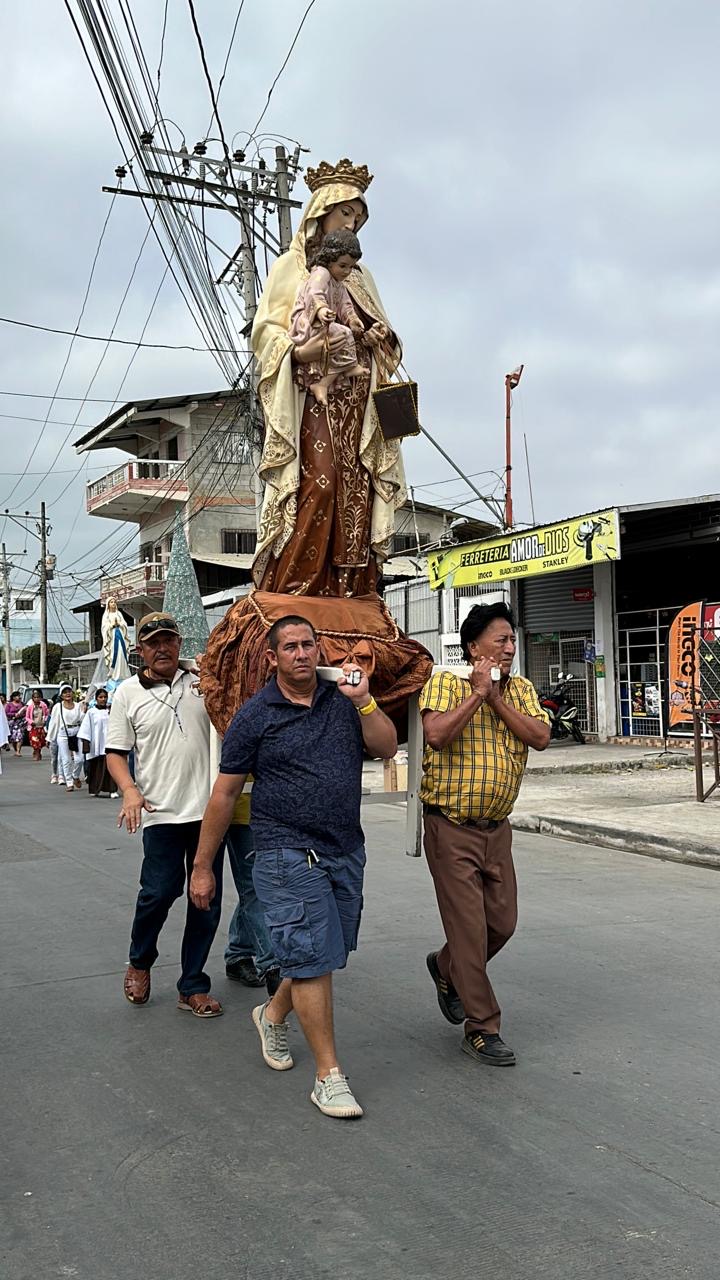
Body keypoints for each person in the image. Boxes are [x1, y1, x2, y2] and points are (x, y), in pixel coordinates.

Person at [190, 615, 397, 1120]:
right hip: (284, 851)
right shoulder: (255, 716)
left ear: (318, 650)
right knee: (310, 956)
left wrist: (364, 701)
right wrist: (203, 866)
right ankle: (329, 1076)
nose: (301, 654)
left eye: (308, 645)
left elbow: (386, 747)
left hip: (344, 848)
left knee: (326, 953)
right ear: (273, 657)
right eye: (290, 647)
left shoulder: (343, 700)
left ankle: (272, 1013)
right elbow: (225, 794)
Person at [251, 157, 405, 597]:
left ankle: (350, 589)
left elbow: (381, 330)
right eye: (345, 213)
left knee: (357, 492)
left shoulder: (359, 274)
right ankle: (293, 589)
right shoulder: (293, 266)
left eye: (358, 217)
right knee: (319, 483)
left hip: (359, 401)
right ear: (322, 212)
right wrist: (300, 351)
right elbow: (267, 332)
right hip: (313, 397)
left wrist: (380, 337)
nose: (352, 224)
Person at [419, 602, 551, 1067]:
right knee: (470, 932)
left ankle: (446, 966)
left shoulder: (521, 689)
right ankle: (482, 1026)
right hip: (451, 826)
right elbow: (436, 735)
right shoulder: (445, 682)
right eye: (501, 640)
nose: (510, 648)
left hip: (497, 829)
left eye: (512, 640)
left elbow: (540, 737)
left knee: (503, 923)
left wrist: (495, 698)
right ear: (474, 647)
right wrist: (477, 694)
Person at [105, 611, 224, 1018]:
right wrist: (130, 790)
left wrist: (209, 673)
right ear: (141, 650)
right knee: (157, 893)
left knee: (205, 898)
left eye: (168, 640)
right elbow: (115, 753)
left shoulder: (201, 683)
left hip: (209, 813)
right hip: (161, 813)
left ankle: (192, 985)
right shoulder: (127, 693)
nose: (162, 649)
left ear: (178, 644)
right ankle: (140, 960)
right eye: (153, 643)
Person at [288, 229, 368, 405]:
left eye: (351, 267)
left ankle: (330, 379)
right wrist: (322, 310)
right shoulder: (321, 273)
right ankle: (325, 382)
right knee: (344, 334)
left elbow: (345, 306)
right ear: (329, 259)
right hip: (309, 322)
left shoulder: (338, 284)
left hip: (323, 323)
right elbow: (314, 293)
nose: (347, 271)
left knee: (344, 336)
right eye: (342, 265)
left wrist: (353, 319)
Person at [224, 790, 280, 996]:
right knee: (254, 887)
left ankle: (237, 952)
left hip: (270, 808)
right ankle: (272, 964)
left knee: (253, 888)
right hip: (238, 810)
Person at [79, 687, 117, 797]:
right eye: (100, 697)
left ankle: (112, 790)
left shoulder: (111, 711)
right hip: (96, 745)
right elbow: (85, 728)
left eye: (105, 697)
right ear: (96, 699)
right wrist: (86, 743)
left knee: (111, 766)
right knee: (96, 767)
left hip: (109, 743)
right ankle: (95, 789)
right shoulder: (91, 712)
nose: (103, 699)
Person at [47, 684, 85, 792]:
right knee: (66, 759)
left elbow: (82, 720)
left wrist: (84, 711)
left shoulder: (78, 706)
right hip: (63, 733)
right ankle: (69, 782)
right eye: (65, 692)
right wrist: (49, 738)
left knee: (80, 759)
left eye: (69, 691)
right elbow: (53, 723)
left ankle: (75, 775)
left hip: (77, 732)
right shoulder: (58, 707)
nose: (67, 694)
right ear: (61, 695)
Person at [24, 690, 49, 763]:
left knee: (41, 741)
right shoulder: (30, 707)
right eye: (35, 697)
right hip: (33, 727)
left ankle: (38, 752)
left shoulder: (43, 705)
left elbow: (47, 714)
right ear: (32, 698)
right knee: (34, 740)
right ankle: (36, 753)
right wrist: (31, 722)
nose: (37, 699)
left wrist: (45, 720)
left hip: (41, 726)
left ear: (41, 698)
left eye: (38, 697)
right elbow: (27, 717)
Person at [6, 691, 25, 757]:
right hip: (12, 722)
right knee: (13, 737)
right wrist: (14, 714)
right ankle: (15, 750)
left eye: (19, 696)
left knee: (20, 736)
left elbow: (25, 712)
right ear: (13, 697)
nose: (19, 697)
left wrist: (20, 715)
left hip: (20, 722)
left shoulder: (22, 704)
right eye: (17, 696)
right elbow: (7, 713)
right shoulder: (9, 705)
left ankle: (18, 751)